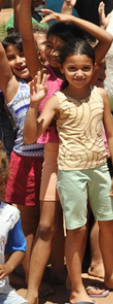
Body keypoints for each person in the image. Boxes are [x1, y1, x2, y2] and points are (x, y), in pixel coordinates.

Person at [24, 36, 113, 304]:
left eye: (86, 68)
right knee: (77, 230)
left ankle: (111, 275)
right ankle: (76, 287)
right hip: (71, 173)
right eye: (72, 68)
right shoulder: (56, 100)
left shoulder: (100, 95)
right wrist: (34, 105)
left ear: (95, 68)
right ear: (63, 69)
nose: (79, 74)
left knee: (109, 223)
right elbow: (31, 137)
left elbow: (112, 134)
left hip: (100, 169)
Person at [0, 33, 42, 290]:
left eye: (23, 53)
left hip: (50, 161)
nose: (18, 60)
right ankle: (25, 275)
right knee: (26, 224)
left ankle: (36, 270)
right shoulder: (13, 87)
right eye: (11, 56)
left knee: (45, 223)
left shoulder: (51, 82)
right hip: (23, 162)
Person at [0, 149, 29, 304]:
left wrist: (9, 266)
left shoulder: (10, 214)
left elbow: (19, 247)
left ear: (2, 183)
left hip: (2, 294)